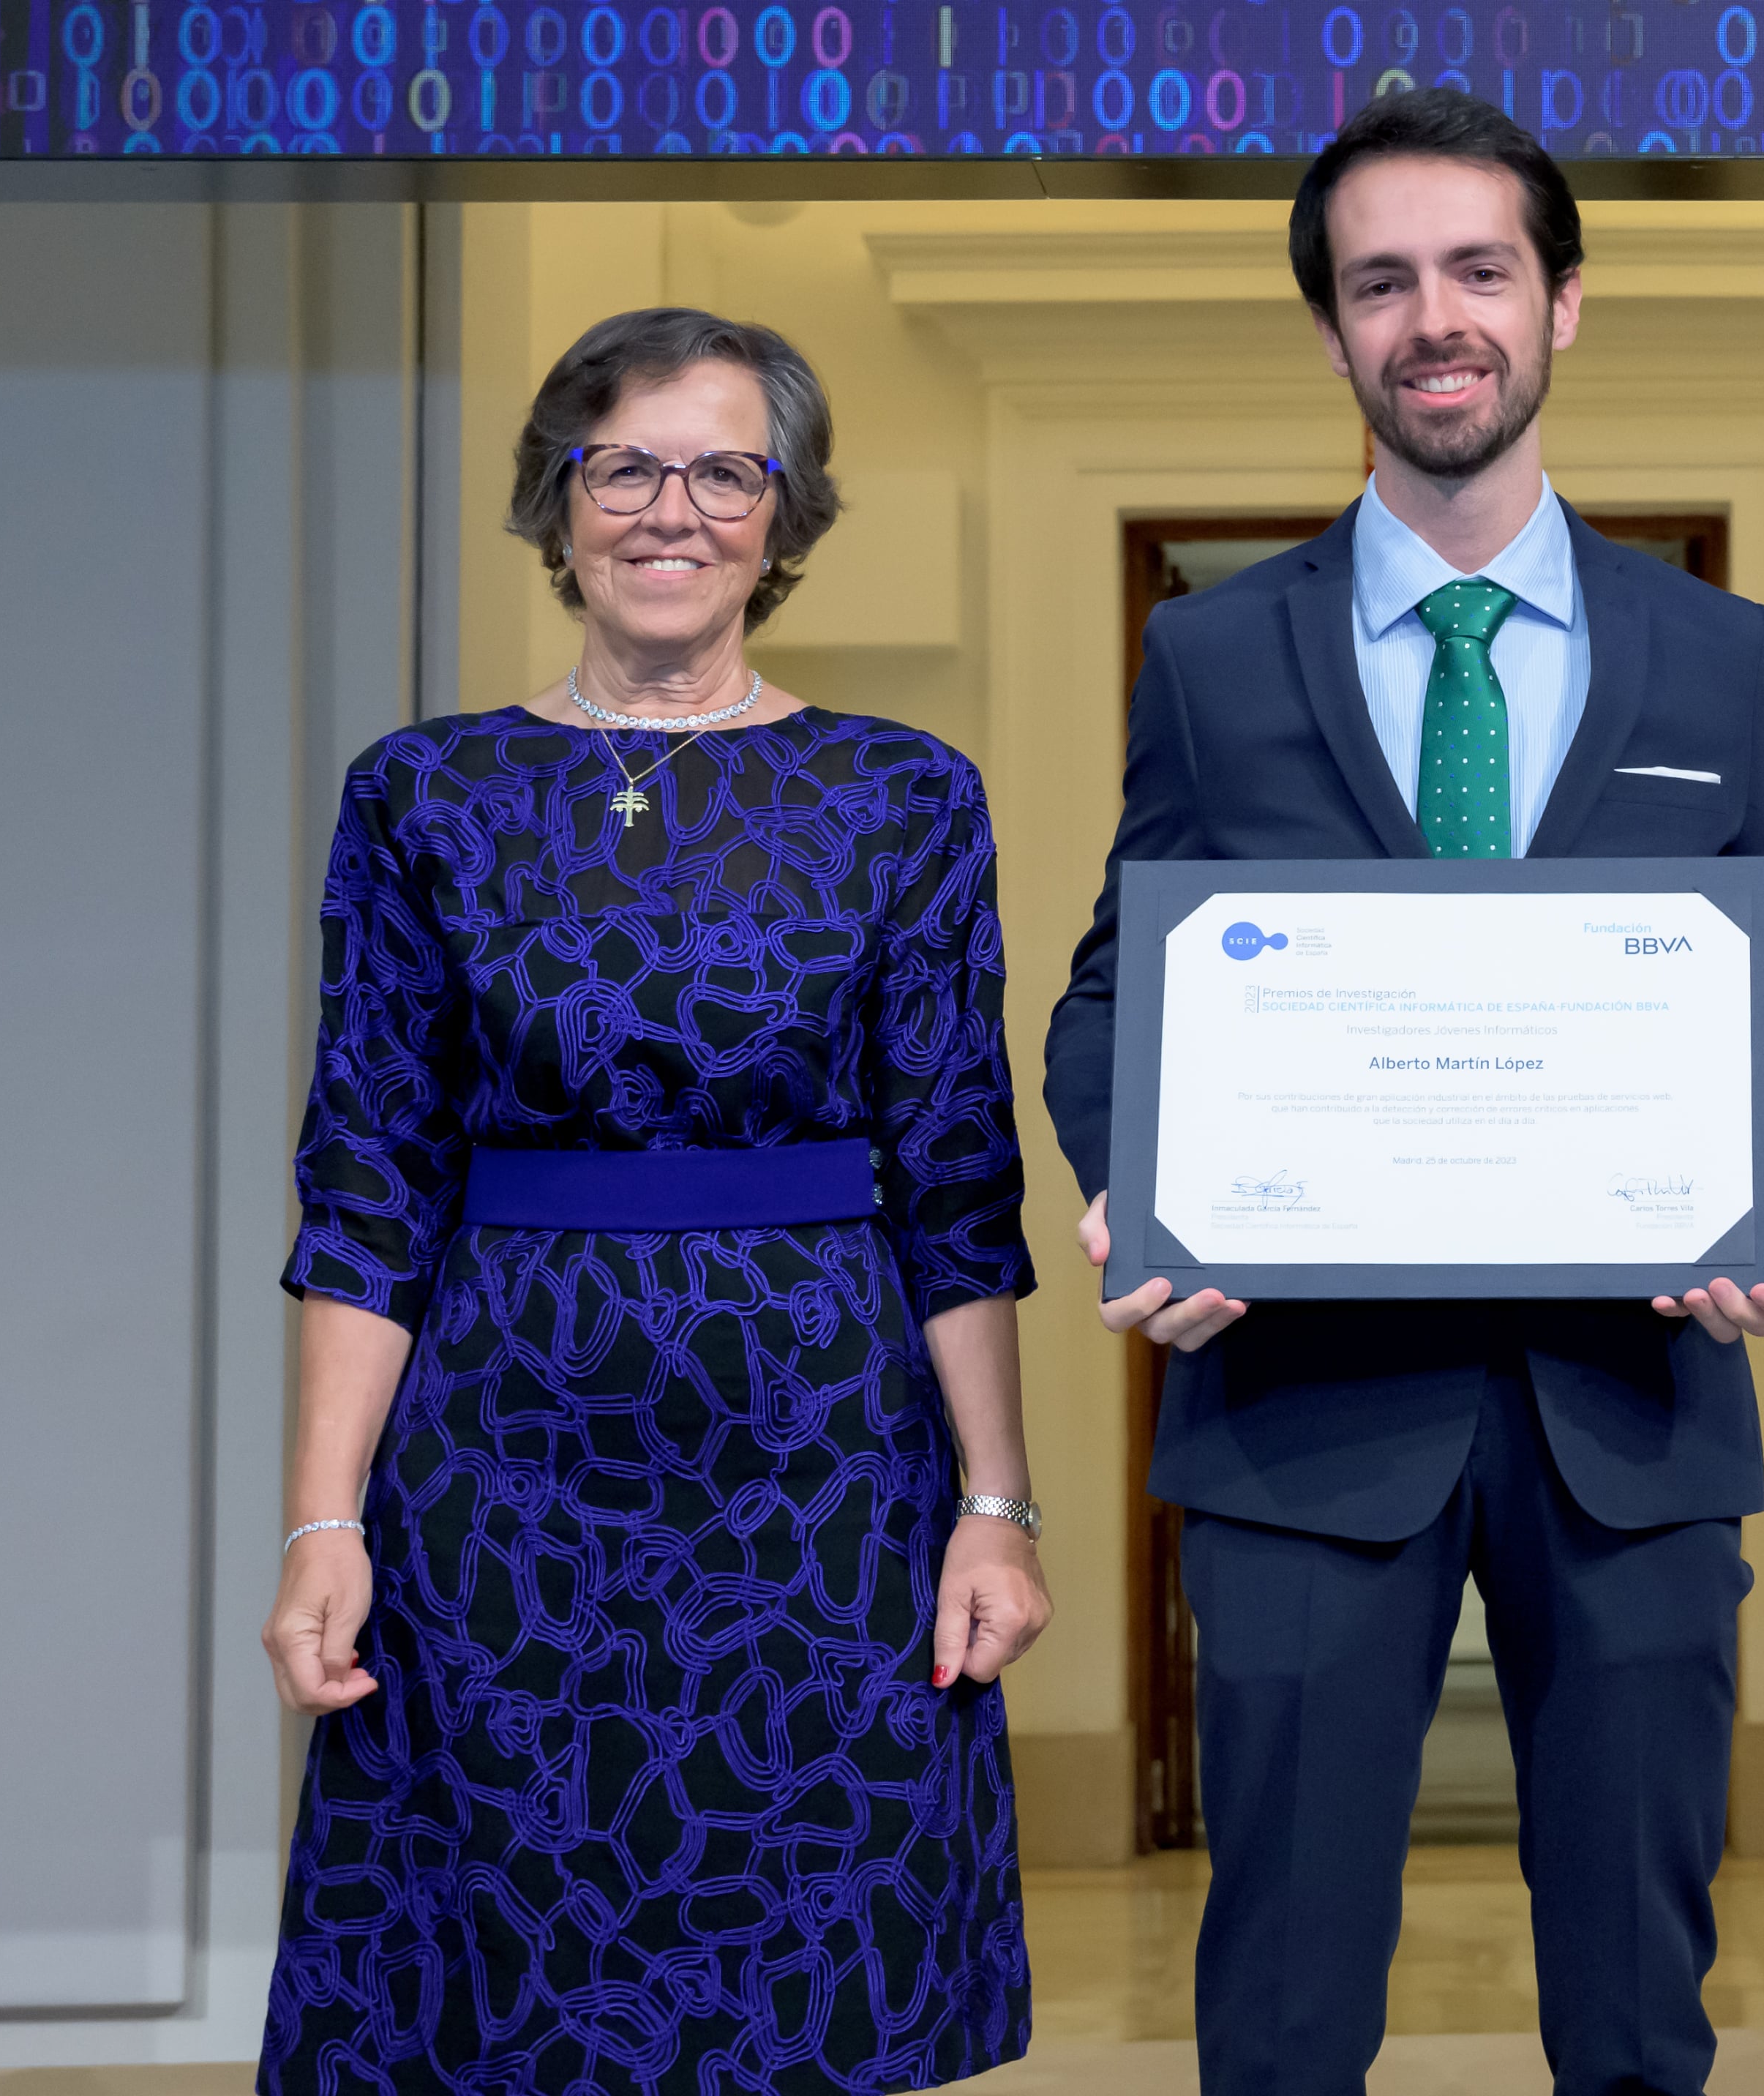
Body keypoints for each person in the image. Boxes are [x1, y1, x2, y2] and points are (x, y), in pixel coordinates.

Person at [1043, 89, 1764, 2096]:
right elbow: (1112, 998)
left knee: (1635, 2003)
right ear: (1333, 331)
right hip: (1304, 1417)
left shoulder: (1720, 653)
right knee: (1286, 2003)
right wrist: (1140, 1186)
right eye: (1382, 281)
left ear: (1565, 303)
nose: (1437, 318)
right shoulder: (1211, 655)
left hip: (1635, 1413)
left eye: (1480, 271)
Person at [255, 308, 1048, 2096]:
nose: (669, 508)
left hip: (826, 1471)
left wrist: (995, 1503)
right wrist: (324, 1526)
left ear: (785, 514)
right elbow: (368, 1179)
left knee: (809, 1967)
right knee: (503, 1975)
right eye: (623, 465)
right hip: (502, 1468)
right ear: (558, 498)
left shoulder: (903, 794)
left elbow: (957, 1173)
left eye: (723, 469)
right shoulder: (424, 795)